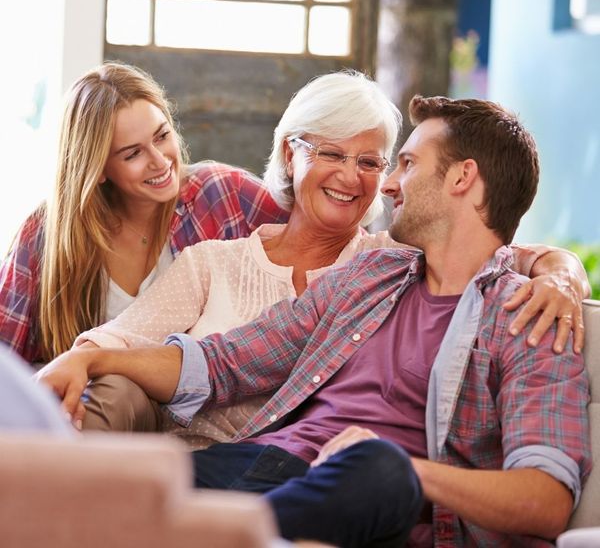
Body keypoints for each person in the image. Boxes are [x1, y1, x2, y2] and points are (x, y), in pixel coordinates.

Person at [37, 95, 592, 547]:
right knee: (86, 494)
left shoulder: (529, 316)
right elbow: (227, 361)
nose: (388, 184)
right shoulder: (371, 272)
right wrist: (94, 356)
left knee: (379, 464)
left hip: (375, 493)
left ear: (462, 178)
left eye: (403, 163)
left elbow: (545, 501)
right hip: (261, 464)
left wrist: (411, 470)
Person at [69, 71, 586, 441]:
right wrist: (83, 358)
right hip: (194, 459)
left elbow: (496, 250)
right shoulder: (213, 262)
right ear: (291, 155)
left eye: (369, 161)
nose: (350, 176)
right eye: (330, 153)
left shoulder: (392, 263)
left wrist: (561, 272)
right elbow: (130, 338)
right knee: (107, 391)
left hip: (310, 475)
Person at [0, 62, 287, 427]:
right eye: (133, 153)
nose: (159, 161)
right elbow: (5, 356)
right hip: (101, 412)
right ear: (99, 168)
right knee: (115, 391)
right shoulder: (48, 232)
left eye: (162, 136)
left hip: (207, 412)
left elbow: (317, 241)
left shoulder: (223, 193)